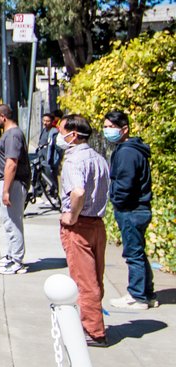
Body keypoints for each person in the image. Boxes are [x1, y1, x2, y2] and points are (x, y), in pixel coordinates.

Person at [56, 114, 112, 347]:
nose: (59, 136)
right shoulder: (99, 158)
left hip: (79, 225)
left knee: (84, 280)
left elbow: (77, 192)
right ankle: (93, 321)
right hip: (97, 223)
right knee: (95, 278)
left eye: (62, 132)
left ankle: (93, 330)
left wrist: (72, 215)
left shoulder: (73, 160)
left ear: (74, 135)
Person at [103, 110, 156, 311]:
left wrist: (116, 200)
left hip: (131, 209)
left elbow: (125, 183)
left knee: (133, 253)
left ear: (124, 129)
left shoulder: (126, 152)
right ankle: (146, 293)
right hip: (137, 208)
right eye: (106, 127)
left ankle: (138, 296)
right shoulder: (131, 149)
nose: (107, 131)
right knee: (138, 252)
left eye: (111, 127)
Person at [0, 104, 31, 275]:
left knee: (13, 221)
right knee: (8, 221)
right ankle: (11, 255)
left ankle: (16, 261)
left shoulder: (13, 135)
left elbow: (11, 164)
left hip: (12, 183)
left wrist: (6, 190)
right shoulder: (8, 135)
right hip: (7, 182)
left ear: (3, 117)